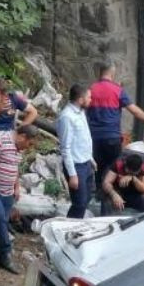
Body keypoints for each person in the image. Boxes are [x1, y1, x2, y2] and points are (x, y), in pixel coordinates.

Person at [0, 124, 39, 274]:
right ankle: (5, 255)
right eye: (29, 143)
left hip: (7, 191)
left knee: (2, 219)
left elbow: (14, 167)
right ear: (22, 136)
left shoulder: (19, 148)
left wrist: (16, 187)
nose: (28, 148)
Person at [87, 63, 144, 191]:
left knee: (99, 167)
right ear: (112, 73)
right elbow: (134, 111)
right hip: (112, 137)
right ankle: (113, 196)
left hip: (95, 137)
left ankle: (99, 194)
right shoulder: (117, 90)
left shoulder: (91, 89)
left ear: (100, 72)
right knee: (114, 168)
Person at [56, 84, 95, 219]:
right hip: (76, 166)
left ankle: (76, 224)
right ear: (80, 99)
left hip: (86, 163)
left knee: (87, 198)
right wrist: (72, 174)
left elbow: (84, 138)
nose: (91, 100)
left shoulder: (81, 112)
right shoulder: (66, 117)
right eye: (89, 97)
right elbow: (65, 148)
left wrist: (90, 158)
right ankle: (68, 227)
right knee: (79, 203)